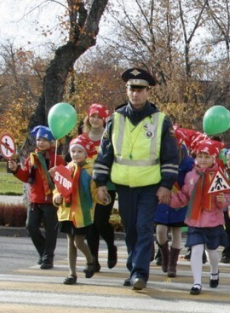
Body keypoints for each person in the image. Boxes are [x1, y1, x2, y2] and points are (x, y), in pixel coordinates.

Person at [93, 67, 180, 290]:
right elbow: (105, 154)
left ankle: (140, 273)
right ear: (127, 90)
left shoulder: (161, 121)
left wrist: (166, 185)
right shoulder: (115, 119)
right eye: (132, 89)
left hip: (150, 185)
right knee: (130, 229)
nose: (136, 93)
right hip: (124, 185)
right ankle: (133, 268)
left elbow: (171, 156)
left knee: (143, 228)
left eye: (140, 89)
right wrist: (100, 183)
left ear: (148, 92)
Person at [168, 139, 230, 295]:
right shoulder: (190, 175)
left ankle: (214, 271)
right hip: (195, 220)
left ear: (213, 158)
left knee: (212, 251)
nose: (203, 159)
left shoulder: (218, 175)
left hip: (213, 221)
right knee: (196, 249)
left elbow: (226, 196)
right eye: (200, 156)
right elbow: (184, 196)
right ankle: (197, 283)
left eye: (207, 156)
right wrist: (170, 199)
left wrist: (223, 200)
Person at [7, 125, 65, 269]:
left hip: (51, 200)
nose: (41, 143)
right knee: (31, 227)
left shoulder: (57, 159)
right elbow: (26, 177)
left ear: (51, 142)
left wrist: (57, 174)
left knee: (51, 230)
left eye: (44, 140)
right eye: (39, 140)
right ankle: (44, 252)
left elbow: (64, 179)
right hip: (35, 200)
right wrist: (15, 169)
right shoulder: (31, 158)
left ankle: (48, 257)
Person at [53, 135, 99, 284]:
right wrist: (57, 197)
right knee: (70, 242)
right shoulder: (66, 169)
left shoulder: (90, 171)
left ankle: (90, 259)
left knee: (78, 242)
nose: (76, 154)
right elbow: (58, 189)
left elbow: (95, 192)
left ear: (86, 153)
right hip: (67, 212)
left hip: (82, 213)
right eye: (73, 151)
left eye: (80, 151)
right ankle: (71, 273)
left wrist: (101, 197)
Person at [81, 104, 119, 271]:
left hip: (106, 185)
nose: (95, 120)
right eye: (93, 116)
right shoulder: (82, 139)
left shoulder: (110, 137)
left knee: (100, 222)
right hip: (86, 186)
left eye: (99, 117)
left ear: (104, 119)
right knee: (90, 224)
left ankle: (111, 246)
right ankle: (93, 261)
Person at [154, 128, 195, 278]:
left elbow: (191, 180)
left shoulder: (188, 162)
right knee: (160, 230)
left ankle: (172, 264)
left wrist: (184, 194)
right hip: (162, 198)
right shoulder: (159, 155)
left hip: (179, 201)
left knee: (176, 232)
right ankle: (164, 255)